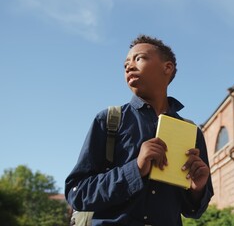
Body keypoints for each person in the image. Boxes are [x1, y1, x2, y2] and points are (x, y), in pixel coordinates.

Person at [65, 35, 214, 225]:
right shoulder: (109, 120)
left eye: (139, 58)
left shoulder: (191, 131)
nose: (129, 66)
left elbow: (193, 211)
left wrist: (197, 189)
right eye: (126, 63)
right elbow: (77, 193)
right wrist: (135, 169)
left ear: (167, 68)